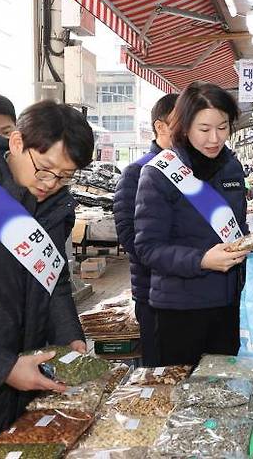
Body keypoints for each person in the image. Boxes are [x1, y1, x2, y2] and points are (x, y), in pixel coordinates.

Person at [0, 101, 94, 457]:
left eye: (65, 176)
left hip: (28, 375)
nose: (51, 183)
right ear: (16, 143)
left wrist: (70, 339)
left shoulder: (49, 203)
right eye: (45, 169)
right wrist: (2, 368)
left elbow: (53, 278)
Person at [134, 82, 249, 366]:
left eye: (222, 127)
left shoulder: (232, 167)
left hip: (229, 305)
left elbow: (238, 225)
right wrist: (201, 260)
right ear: (184, 127)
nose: (214, 138)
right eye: (204, 129)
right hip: (179, 308)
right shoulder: (160, 173)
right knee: (180, 393)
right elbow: (148, 248)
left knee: (225, 390)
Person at [114, 92, 178, 367]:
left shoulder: (193, 170)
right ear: (160, 127)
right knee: (161, 371)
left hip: (195, 293)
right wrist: (178, 259)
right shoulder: (136, 172)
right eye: (181, 123)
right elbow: (129, 236)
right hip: (154, 294)